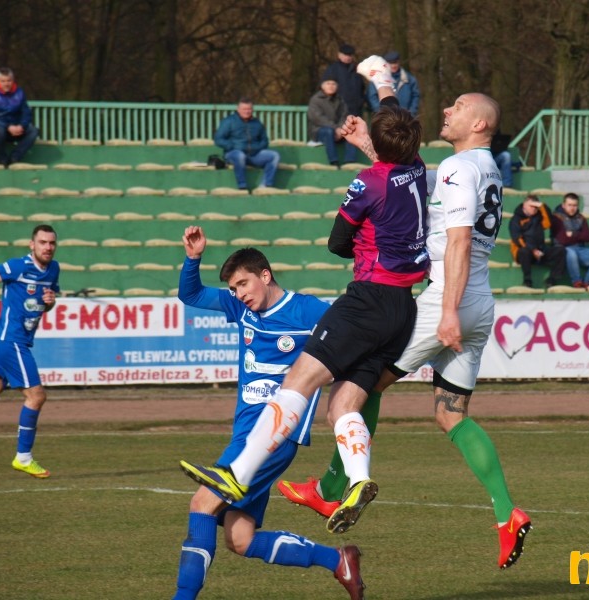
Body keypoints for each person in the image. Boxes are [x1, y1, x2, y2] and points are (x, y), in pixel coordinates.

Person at [278, 57, 531, 571]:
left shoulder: (460, 168)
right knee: (451, 414)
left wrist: (448, 312)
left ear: (480, 123)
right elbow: (406, 178)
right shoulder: (484, 168)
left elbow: (457, 242)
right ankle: (508, 513)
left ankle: (332, 488)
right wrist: (369, 143)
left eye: (458, 107)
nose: (447, 110)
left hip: (449, 298)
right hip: (481, 301)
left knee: (363, 381)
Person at [179, 68, 429, 549]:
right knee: (343, 405)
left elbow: (337, 242)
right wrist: (381, 84)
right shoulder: (416, 168)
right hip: (403, 309)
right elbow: (393, 128)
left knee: (298, 380)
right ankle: (358, 480)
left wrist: (373, 102)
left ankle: (239, 472)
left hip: (369, 295)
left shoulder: (369, 182)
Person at [172, 226, 364, 600]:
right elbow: (190, 294)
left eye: (243, 284)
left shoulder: (307, 310)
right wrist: (193, 258)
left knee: (202, 504)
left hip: (275, 435)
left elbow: (353, 334)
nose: (239, 294)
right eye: (233, 288)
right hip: (246, 436)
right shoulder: (239, 309)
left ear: (265, 275)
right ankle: (338, 561)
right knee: (240, 539)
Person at [0, 224, 59, 478]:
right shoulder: (17, 266)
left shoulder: (54, 269)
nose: (47, 247)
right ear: (32, 245)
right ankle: (23, 458)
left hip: (4, 343)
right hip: (10, 342)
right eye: (42, 242)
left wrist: (50, 303)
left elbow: (44, 304)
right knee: (36, 396)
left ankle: (23, 458)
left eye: (52, 243)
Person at [213, 98, 280, 191]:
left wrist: (257, 147)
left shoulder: (257, 123)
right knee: (240, 155)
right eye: (244, 109)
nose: (247, 111)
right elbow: (218, 139)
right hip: (233, 153)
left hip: (253, 155)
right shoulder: (228, 121)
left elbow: (264, 141)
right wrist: (233, 146)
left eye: (249, 109)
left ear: (252, 110)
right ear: (238, 109)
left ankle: (265, 185)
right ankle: (242, 186)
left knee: (274, 156)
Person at [0, 67, 39, 167]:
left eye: (9, 80)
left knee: (33, 131)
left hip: (16, 126)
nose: (6, 84)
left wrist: (22, 125)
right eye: (3, 81)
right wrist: (8, 126)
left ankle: (15, 157)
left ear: (13, 80)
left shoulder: (19, 92)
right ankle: (1, 159)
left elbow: (26, 112)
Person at [551, 192, 589, 289]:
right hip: (563, 250)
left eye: (575, 205)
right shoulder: (556, 218)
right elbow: (562, 240)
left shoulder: (581, 218)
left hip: (580, 249)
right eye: (569, 205)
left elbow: (588, 237)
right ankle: (576, 281)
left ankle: (586, 282)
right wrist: (579, 235)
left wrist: (572, 234)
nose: (572, 208)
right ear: (563, 205)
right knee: (570, 253)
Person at [509, 194, 567, 288]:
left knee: (561, 251)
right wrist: (533, 250)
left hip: (540, 250)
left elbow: (548, 223)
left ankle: (552, 280)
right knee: (524, 251)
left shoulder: (538, 217)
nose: (534, 209)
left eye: (536, 207)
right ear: (524, 205)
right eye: (531, 206)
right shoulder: (516, 219)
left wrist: (542, 205)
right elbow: (517, 239)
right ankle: (527, 281)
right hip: (526, 252)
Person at [308, 79, 357, 167]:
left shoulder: (340, 99)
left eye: (333, 84)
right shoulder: (315, 100)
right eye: (328, 83)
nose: (331, 86)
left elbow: (344, 115)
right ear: (322, 86)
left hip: (338, 131)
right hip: (319, 131)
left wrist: (341, 129)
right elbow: (318, 119)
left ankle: (350, 162)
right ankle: (334, 162)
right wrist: (336, 128)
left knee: (351, 131)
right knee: (328, 131)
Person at [366, 51, 419, 115]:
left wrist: (411, 113)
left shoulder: (409, 79)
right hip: (385, 117)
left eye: (395, 63)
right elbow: (372, 97)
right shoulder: (377, 78)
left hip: (406, 116)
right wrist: (381, 113)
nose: (393, 66)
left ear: (399, 62)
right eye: (390, 63)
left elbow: (415, 96)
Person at [321, 43, 365, 118]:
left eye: (349, 55)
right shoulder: (332, 69)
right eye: (345, 55)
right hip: (338, 110)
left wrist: (361, 101)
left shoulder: (357, 70)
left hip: (356, 110)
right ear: (339, 55)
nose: (347, 57)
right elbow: (325, 89)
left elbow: (362, 88)